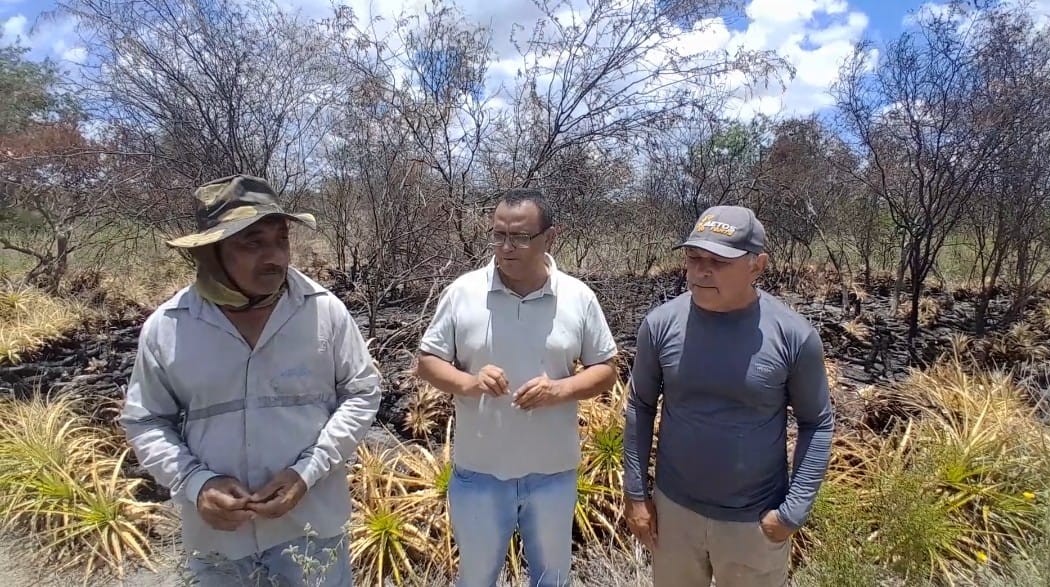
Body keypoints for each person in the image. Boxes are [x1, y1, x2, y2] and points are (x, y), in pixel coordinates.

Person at [119, 175, 383, 586]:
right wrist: (196, 483)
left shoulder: (323, 312)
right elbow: (145, 420)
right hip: (220, 542)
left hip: (312, 528)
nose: (275, 256)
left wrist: (307, 471)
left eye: (281, 240)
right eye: (252, 243)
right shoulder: (168, 327)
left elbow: (363, 392)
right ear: (212, 253)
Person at [622, 205, 834, 587]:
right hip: (674, 515)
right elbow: (640, 405)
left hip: (753, 523)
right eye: (694, 258)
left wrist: (790, 514)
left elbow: (816, 422)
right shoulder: (660, 325)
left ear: (757, 265)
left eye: (719, 261)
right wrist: (636, 495)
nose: (702, 270)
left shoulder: (793, 336)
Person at [415, 188, 618, 587]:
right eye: (499, 235)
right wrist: (470, 382)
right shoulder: (463, 293)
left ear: (550, 237)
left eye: (521, 237)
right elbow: (426, 363)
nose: (507, 247)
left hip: (553, 475)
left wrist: (560, 390)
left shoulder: (578, 297)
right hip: (479, 474)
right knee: (475, 579)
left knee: (551, 580)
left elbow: (606, 369)